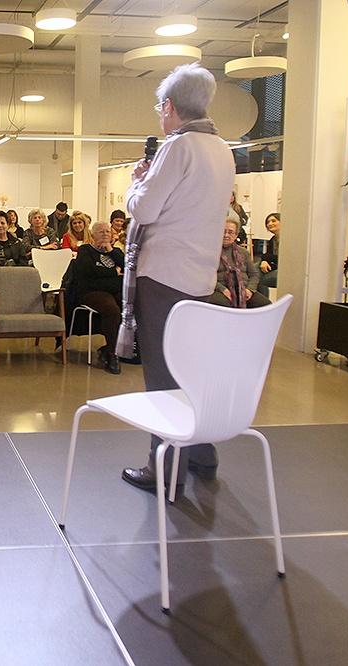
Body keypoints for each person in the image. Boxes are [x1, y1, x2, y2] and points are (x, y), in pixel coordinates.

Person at [120, 62, 236, 493]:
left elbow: (145, 209)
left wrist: (136, 183)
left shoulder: (178, 146)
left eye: (159, 108)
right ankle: (202, 453)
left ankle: (164, 467)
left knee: (163, 375)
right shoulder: (222, 148)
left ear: (169, 106)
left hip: (164, 277)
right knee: (190, 371)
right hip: (201, 278)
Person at [68, 220, 124, 374]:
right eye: (101, 231)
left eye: (107, 231)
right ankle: (112, 354)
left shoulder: (116, 252)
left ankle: (111, 348)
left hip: (114, 291)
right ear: (93, 235)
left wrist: (110, 250)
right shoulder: (85, 250)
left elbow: (127, 268)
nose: (105, 234)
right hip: (91, 292)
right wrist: (114, 272)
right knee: (112, 310)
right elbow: (88, 271)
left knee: (130, 307)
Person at [209, 220, 271, 308]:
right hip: (220, 289)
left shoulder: (244, 252)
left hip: (243, 289)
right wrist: (223, 289)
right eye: (223, 231)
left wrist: (250, 289)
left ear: (236, 235)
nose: (226, 235)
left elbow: (254, 274)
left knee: (266, 305)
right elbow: (206, 276)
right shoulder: (210, 252)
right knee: (225, 305)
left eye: (230, 232)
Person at [257, 212, 280, 296]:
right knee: (255, 270)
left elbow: (280, 258)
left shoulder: (289, 238)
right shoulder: (273, 239)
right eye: (268, 222)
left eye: (273, 221)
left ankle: (264, 302)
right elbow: (267, 255)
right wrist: (264, 261)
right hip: (274, 266)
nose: (270, 224)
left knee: (259, 280)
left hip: (285, 270)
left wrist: (266, 259)